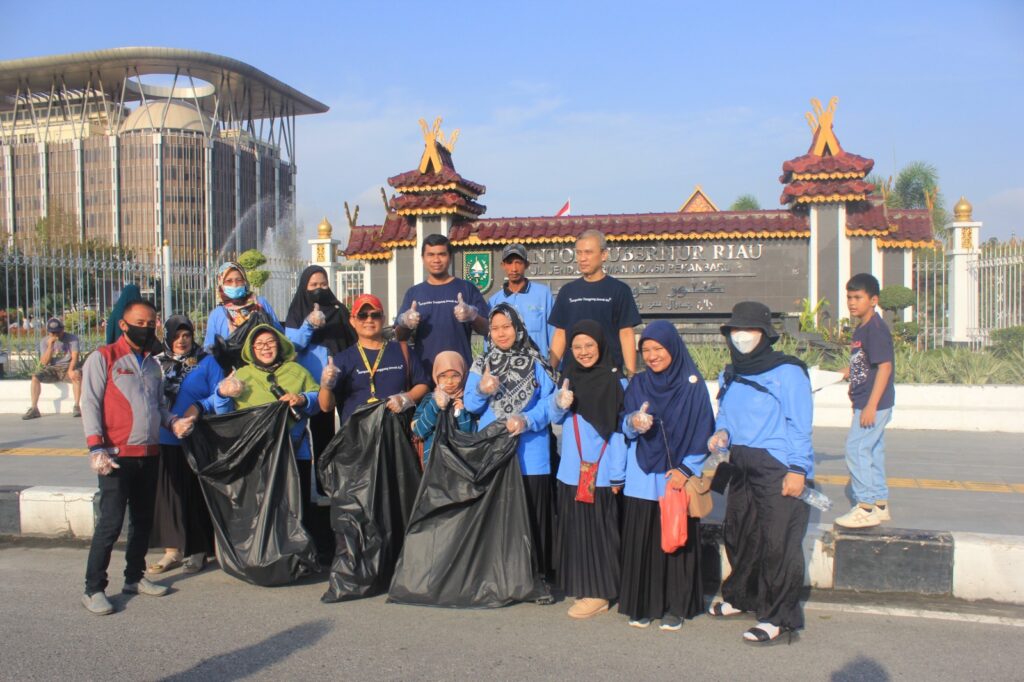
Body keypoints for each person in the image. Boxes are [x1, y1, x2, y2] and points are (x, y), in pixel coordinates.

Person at [706, 301, 813, 645]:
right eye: (735, 330)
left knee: (777, 542)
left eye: (749, 330)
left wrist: (798, 469)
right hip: (739, 463)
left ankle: (778, 617)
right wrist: (721, 434)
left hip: (777, 466)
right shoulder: (731, 372)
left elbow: (800, 424)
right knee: (739, 533)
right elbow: (725, 415)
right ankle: (741, 597)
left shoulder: (788, 372)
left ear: (765, 334)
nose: (741, 336)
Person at [80, 300, 196, 615]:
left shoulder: (152, 364)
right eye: (139, 322)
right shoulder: (103, 358)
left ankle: (134, 577)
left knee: (143, 521)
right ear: (123, 324)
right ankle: (94, 588)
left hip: (150, 453)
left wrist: (173, 422)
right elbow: (89, 403)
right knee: (110, 523)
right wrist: (96, 447)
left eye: (151, 323)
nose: (146, 328)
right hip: (116, 456)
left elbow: (158, 406)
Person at [214, 324, 337, 562]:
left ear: (279, 345)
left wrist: (302, 399)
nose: (265, 348)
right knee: (259, 508)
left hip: (295, 452)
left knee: (294, 507)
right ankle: (262, 558)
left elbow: (317, 400)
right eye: (259, 344)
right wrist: (223, 393)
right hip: (257, 455)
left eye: (270, 342)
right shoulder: (242, 375)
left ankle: (296, 559)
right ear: (251, 349)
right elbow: (222, 411)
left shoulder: (297, 371)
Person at [620, 320, 714, 631]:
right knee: (643, 542)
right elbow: (623, 425)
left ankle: (676, 607)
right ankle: (643, 605)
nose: (651, 356)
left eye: (658, 348)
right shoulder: (638, 384)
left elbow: (704, 430)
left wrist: (686, 470)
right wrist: (634, 422)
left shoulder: (692, 386)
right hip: (642, 476)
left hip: (676, 478)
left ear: (672, 347)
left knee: (676, 541)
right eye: (645, 350)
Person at [465, 303, 557, 590]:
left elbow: (552, 403)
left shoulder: (537, 361)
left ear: (518, 328)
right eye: (495, 328)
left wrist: (528, 419)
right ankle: (497, 577)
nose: (501, 333)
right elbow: (470, 404)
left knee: (532, 515)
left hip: (531, 454)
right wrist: (482, 389)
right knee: (496, 515)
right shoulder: (482, 362)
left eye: (506, 327)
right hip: (493, 451)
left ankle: (536, 578)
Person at [548, 320, 629, 619]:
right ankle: (586, 585)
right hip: (571, 471)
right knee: (578, 533)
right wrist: (559, 402)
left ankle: (600, 593)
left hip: (602, 473)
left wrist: (618, 472)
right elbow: (556, 418)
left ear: (601, 345)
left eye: (589, 345)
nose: (583, 352)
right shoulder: (569, 378)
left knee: (599, 534)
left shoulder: (616, 382)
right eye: (577, 346)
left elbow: (620, 432)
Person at [148, 316, 220, 575]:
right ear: (167, 337)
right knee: (169, 496)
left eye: (186, 335)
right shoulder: (155, 363)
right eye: (176, 336)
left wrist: (199, 408)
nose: (182, 340)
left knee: (195, 494)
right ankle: (173, 550)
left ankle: (199, 550)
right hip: (164, 437)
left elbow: (220, 394)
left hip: (197, 437)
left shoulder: (206, 361)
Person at [836, 273, 895, 529]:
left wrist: (871, 405)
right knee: (873, 450)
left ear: (873, 300)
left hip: (873, 403)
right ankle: (879, 504)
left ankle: (865, 507)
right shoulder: (862, 327)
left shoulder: (875, 329)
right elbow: (864, 363)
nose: (852, 302)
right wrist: (841, 373)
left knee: (856, 449)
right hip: (865, 400)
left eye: (858, 297)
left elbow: (884, 367)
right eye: (849, 297)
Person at [283, 265, 356, 458]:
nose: (319, 289)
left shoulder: (338, 309)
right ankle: (323, 473)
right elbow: (291, 346)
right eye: (313, 285)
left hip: (342, 377)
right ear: (304, 286)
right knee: (321, 434)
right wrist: (309, 324)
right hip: (314, 383)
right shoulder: (297, 312)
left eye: (323, 284)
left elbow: (352, 339)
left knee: (349, 427)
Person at [548, 230, 642, 375]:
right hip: (573, 375)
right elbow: (560, 334)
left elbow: (626, 333)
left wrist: (631, 374)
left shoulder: (619, 290)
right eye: (579, 253)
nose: (582, 258)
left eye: (588, 252)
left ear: (604, 255)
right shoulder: (567, 291)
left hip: (609, 374)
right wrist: (550, 371)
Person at [395, 233, 490, 377]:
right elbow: (399, 336)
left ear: (450, 257)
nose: (436, 260)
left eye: (442, 254)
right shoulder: (414, 293)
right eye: (431, 255)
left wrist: (472, 315)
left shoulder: (467, 288)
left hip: (459, 373)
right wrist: (405, 323)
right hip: (424, 374)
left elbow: (487, 329)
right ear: (423, 258)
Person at [333, 294, 430, 426]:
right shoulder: (342, 359)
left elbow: (423, 385)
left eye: (375, 315)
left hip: (396, 431)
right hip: (357, 434)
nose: (369, 320)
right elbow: (326, 406)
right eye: (362, 315)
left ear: (383, 319)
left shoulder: (402, 351)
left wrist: (406, 398)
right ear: (352, 320)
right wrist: (326, 385)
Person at [203, 262, 283, 363]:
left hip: (263, 363)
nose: (234, 285)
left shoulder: (260, 303)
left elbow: (279, 332)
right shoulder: (217, 314)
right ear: (221, 282)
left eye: (239, 280)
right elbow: (209, 349)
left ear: (244, 281)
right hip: (232, 367)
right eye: (229, 281)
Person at [488, 243, 555, 359]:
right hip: (506, 367)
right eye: (509, 263)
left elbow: (555, 335)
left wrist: (554, 367)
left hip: (537, 365)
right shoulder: (494, 301)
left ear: (526, 265)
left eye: (518, 263)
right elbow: (490, 341)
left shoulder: (543, 295)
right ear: (503, 265)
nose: (514, 269)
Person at [412, 350, 476, 464]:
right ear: (436, 376)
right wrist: (435, 405)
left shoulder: (469, 400)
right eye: (443, 376)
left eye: (455, 376)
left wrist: (462, 414)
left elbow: (472, 435)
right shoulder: (429, 399)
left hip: (462, 463)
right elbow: (419, 431)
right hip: (434, 463)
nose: (449, 381)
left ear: (463, 375)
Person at [23, 317, 82, 420]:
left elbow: (75, 357)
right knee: (35, 377)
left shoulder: (72, 338)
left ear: (62, 329)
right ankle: (34, 408)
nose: (55, 335)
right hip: (53, 369)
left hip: (67, 367)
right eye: (52, 333)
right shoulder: (44, 341)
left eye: (58, 332)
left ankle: (77, 406)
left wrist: (70, 370)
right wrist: (50, 346)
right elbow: (44, 362)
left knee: (76, 375)